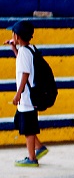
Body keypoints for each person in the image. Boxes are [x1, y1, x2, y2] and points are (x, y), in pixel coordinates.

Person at [8, 20, 47, 168]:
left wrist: (18, 94)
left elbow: (25, 74)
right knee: (21, 122)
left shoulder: (25, 52)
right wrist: (13, 48)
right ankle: (39, 147)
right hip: (27, 97)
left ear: (17, 36)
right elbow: (22, 62)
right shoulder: (29, 49)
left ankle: (32, 158)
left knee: (28, 129)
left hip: (26, 98)